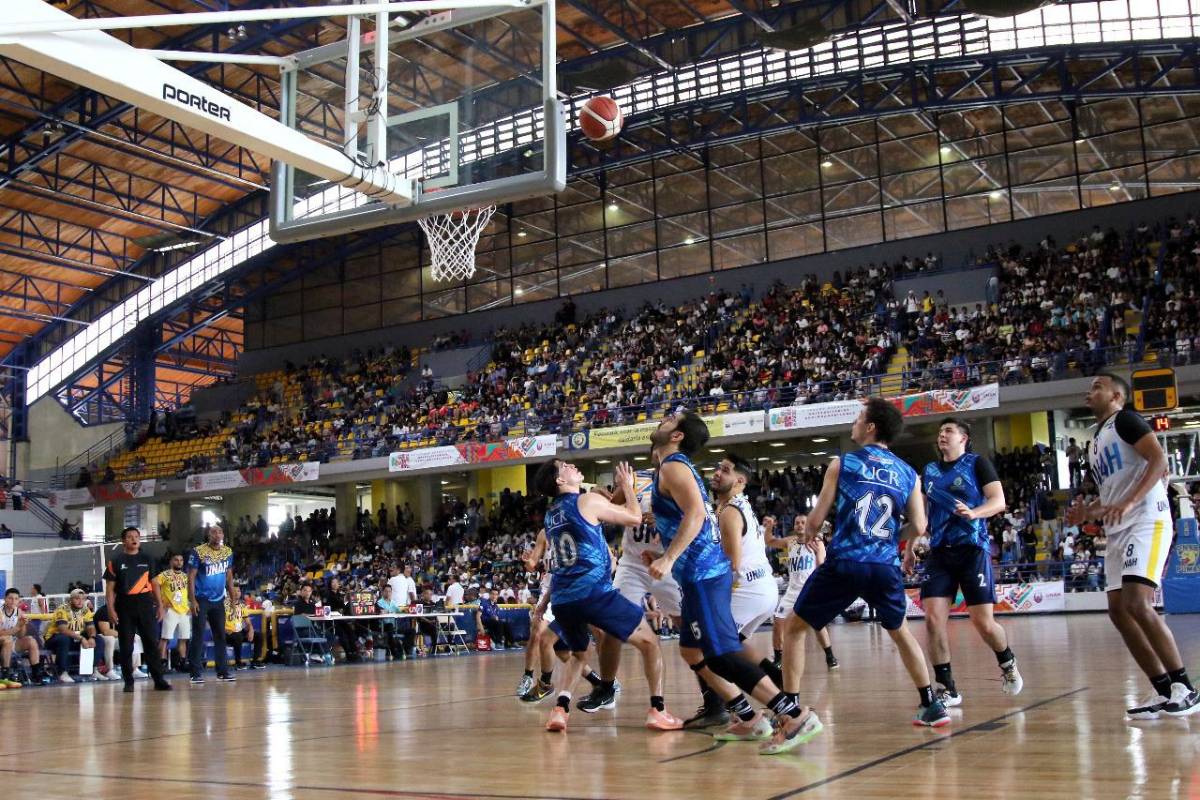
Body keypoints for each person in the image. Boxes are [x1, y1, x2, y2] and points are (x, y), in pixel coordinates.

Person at [775, 399, 948, 753]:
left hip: (846, 561)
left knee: (793, 629)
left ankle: (790, 709)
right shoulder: (907, 473)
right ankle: (930, 703)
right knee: (900, 633)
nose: (853, 424)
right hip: (884, 566)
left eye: (858, 419)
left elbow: (816, 517)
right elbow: (919, 525)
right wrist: (891, 538)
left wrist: (809, 532)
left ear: (870, 427)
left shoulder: (843, 464)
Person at [645, 411, 820, 752]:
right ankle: (750, 718)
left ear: (678, 436)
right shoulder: (670, 468)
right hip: (700, 575)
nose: (663, 420)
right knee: (699, 650)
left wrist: (669, 558)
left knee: (722, 654)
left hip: (706, 573)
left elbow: (696, 515)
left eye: (671, 419)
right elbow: (689, 516)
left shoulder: (673, 467)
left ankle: (793, 714)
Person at [1068, 372, 1198, 718]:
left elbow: (1158, 461)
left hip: (1147, 520)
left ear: (1116, 396)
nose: (1089, 389)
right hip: (1118, 528)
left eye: (1097, 386)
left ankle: (1185, 687)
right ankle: (1162, 689)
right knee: (1118, 611)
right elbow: (1110, 494)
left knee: (1137, 604)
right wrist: (1087, 512)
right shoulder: (1095, 440)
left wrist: (1129, 502)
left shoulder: (1125, 420)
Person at [533, 458, 683, 733]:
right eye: (565, 466)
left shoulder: (550, 514)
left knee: (580, 654)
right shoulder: (587, 501)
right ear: (559, 480)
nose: (573, 466)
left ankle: (560, 709)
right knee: (650, 643)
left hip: (564, 599)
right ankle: (658, 710)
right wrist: (627, 487)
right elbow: (635, 517)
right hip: (593, 593)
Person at [906, 418, 1022, 707]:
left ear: (964, 438)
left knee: (983, 623)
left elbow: (998, 501)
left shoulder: (977, 464)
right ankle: (947, 688)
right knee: (933, 621)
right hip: (940, 553)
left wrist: (975, 513)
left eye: (948, 431)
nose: (942, 435)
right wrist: (910, 548)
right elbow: (920, 517)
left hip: (973, 550)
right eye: (940, 432)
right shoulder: (929, 471)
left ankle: (1007, 662)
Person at [679, 453, 783, 728]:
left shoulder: (729, 513)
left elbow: (732, 562)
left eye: (724, 470)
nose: (716, 473)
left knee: (708, 648)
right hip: (763, 588)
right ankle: (781, 686)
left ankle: (727, 708)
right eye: (717, 468)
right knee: (736, 647)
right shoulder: (739, 505)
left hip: (746, 588)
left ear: (739, 481)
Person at [610, 466, 682, 705]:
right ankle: (607, 686)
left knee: (688, 626)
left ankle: (712, 694)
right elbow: (613, 503)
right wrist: (621, 486)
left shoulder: (681, 478)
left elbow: (694, 519)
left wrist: (664, 519)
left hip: (664, 561)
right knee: (611, 623)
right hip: (632, 562)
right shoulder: (638, 477)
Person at [767, 514, 837, 673]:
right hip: (792, 591)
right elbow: (769, 541)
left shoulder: (816, 542)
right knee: (778, 621)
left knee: (817, 625)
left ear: (808, 525)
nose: (799, 525)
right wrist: (770, 527)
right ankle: (778, 658)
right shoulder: (790, 541)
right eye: (797, 523)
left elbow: (821, 566)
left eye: (803, 522)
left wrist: (818, 549)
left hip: (809, 589)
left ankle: (830, 656)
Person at [105, 526, 171, 693]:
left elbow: (155, 584)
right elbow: (110, 589)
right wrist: (111, 610)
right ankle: (128, 681)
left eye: (136, 536)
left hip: (145, 604)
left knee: (151, 642)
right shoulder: (116, 561)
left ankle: (159, 680)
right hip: (124, 606)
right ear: (123, 541)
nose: (134, 539)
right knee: (126, 646)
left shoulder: (148, 558)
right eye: (129, 536)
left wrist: (160, 606)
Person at [187, 524, 236, 685]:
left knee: (221, 635)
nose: (217, 534)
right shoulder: (198, 551)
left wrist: (233, 598)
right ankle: (195, 672)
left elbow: (229, 577)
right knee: (199, 634)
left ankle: (222, 671)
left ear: (223, 535)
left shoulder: (227, 552)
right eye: (214, 532)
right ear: (209, 535)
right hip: (201, 599)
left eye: (220, 532)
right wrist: (192, 599)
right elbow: (191, 576)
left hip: (218, 600)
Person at [42, 588, 95, 683]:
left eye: (83, 599)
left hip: (73, 639)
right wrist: (81, 638)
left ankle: (93, 670)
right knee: (64, 639)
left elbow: (91, 627)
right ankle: (62, 672)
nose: (80, 601)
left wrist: (92, 637)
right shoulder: (62, 609)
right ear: (70, 600)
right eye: (77, 598)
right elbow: (63, 629)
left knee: (98, 640)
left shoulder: (86, 610)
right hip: (53, 639)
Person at [155, 553, 192, 672]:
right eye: (176, 560)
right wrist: (160, 602)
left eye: (181, 560)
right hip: (170, 610)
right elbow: (153, 584)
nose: (179, 562)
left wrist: (190, 605)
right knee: (165, 637)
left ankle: (182, 662)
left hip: (184, 610)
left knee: (183, 638)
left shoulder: (185, 576)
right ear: (171, 562)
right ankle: (161, 663)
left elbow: (189, 592)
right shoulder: (165, 575)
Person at [0, 587, 42, 687]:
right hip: (2, 640)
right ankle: (5, 675)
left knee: (31, 641)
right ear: (5, 599)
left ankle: (36, 675)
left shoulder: (19, 612)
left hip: (9, 642)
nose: (13, 601)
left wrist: (22, 625)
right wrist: (17, 627)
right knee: (7, 639)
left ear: (18, 600)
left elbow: (20, 635)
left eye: (16, 599)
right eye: (10, 598)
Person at [224, 587, 263, 670]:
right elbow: (218, 622)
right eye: (234, 591)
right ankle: (238, 663)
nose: (237, 593)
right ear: (228, 593)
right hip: (227, 633)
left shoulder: (242, 605)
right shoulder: (224, 605)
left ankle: (255, 662)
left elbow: (248, 622)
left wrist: (251, 630)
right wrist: (226, 630)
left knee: (259, 636)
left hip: (238, 631)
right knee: (238, 636)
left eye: (238, 591)